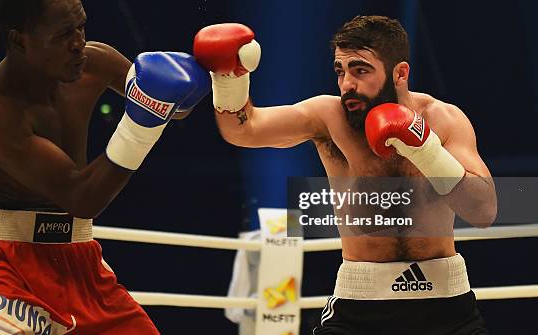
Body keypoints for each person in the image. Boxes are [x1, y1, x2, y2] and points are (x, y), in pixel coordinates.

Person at [193, 17, 497, 334]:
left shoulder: (444, 119)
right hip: (359, 308)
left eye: (360, 70)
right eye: (340, 71)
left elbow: (483, 210)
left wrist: (426, 150)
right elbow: (244, 130)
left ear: (400, 73)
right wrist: (229, 78)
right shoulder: (328, 117)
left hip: (447, 308)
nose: (347, 84)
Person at [0, 0, 210, 335]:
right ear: (19, 40)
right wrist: (143, 123)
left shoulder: (94, 61)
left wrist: (216, 72)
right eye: (62, 35)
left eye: (80, 26)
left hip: (82, 263)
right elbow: (82, 197)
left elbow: (171, 104)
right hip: (6, 268)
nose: (78, 42)